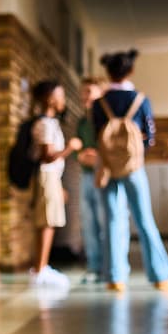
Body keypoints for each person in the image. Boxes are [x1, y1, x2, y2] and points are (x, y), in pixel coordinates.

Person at [92, 50, 168, 292]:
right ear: (131, 71)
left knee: (113, 220)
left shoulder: (98, 104)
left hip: (107, 166)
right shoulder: (140, 99)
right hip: (133, 167)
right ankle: (160, 275)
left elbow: (96, 134)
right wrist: (136, 151)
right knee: (145, 219)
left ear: (108, 72)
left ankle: (115, 277)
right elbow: (150, 136)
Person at [27, 80, 71, 288]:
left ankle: (42, 267)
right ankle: (40, 269)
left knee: (49, 220)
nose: (64, 100)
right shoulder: (44, 123)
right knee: (47, 221)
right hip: (46, 176)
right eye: (61, 95)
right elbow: (47, 156)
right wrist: (70, 148)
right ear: (51, 98)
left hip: (52, 177)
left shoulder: (51, 123)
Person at [68, 77, 107, 284]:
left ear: (100, 94)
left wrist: (98, 156)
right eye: (83, 92)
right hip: (86, 177)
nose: (85, 96)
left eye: (89, 91)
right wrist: (80, 156)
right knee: (89, 223)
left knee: (105, 222)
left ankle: (109, 267)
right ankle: (93, 267)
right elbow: (76, 149)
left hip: (104, 177)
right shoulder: (82, 122)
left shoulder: (106, 120)